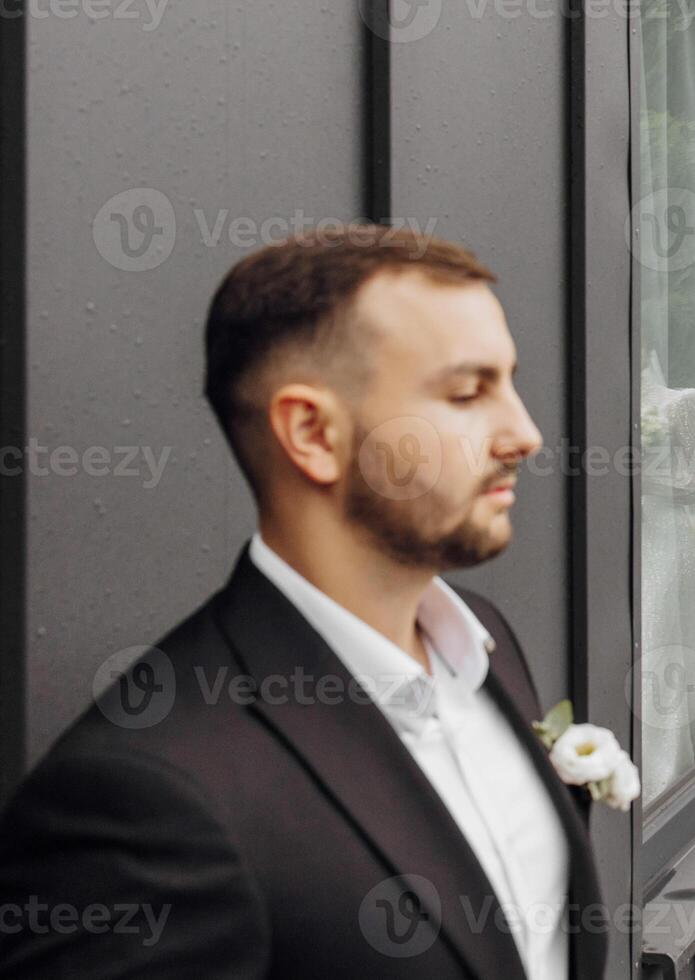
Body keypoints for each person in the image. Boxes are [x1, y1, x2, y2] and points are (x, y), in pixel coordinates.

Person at [0, 225, 608, 978]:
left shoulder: (487, 639)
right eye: (466, 392)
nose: (525, 433)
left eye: (510, 383)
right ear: (313, 432)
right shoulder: (146, 802)